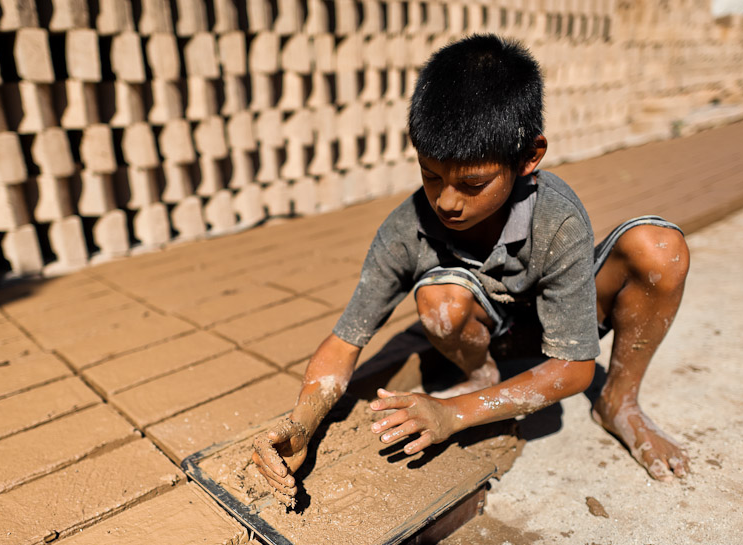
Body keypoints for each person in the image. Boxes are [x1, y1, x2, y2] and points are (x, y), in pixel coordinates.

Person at [251, 34, 691, 505]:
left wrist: (452, 414)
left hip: (561, 326)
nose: (446, 201)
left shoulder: (558, 217)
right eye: (430, 174)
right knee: (439, 301)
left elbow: (575, 368)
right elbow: (344, 343)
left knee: (660, 248)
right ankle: (483, 376)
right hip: (487, 334)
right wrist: (303, 422)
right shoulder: (406, 228)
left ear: (529, 158)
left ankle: (619, 403)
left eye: (472, 183)